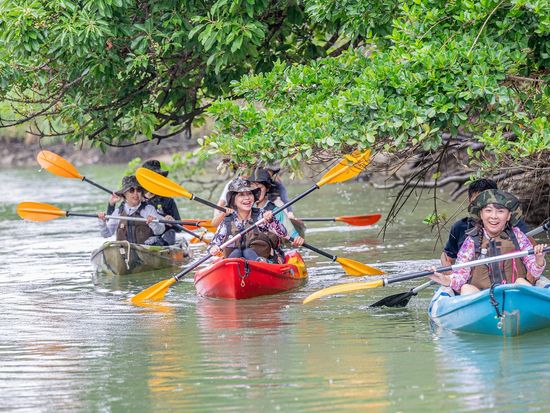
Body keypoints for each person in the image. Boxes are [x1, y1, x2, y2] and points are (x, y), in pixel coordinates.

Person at [430, 189, 547, 295]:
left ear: (508, 216)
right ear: (481, 214)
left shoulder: (518, 236)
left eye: (500, 211)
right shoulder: (471, 241)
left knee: (521, 281)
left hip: (514, 295)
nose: (494, 216)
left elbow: (534, 272)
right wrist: (444, 279)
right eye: (488, 211)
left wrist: (539, 260)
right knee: (466, 288)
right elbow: (461, 276)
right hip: (483, 298)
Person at [441, 178, 528, 266]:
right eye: (476, 202)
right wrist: (449, 273)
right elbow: (447, 257)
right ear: (469, 202)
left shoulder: (514, 225)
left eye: (486, 204)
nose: (481, 207)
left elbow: (530, 250)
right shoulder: (459, 227)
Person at [208, 177, 289, 263]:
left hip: (262, 262)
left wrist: (272, 221)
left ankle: (258, 262)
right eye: (241, 195)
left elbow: (284, 233)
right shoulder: (227, 221)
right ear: (233, 200)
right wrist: (214, 248)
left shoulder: (262, 215)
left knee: (247, 252)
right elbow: (212, 245)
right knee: (237, 252)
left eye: (249, 194)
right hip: (234, 262)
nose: (247, 198)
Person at [106, 160, 181, 245]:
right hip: (138, 240)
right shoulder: (132, 200)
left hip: (161, 241)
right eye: (150, 179)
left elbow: (179, 228)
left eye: (157, 179)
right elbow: (111, 223)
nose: (153, 182)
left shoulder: (167, 201)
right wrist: (111, 204)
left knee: (170, 234)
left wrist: (170, 221)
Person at [98, 175, 166, 245]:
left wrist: (153, 222)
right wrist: (102, 221)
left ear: (142, 193)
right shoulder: (118, 212)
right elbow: (106, 234)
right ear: (125, 194)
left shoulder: (149, 209)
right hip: (123, 250)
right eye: (131, 190)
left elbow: (160, 231)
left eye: (138, 190)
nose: (135, 193)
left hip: (144, 249)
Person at [249, 168, 305, 250]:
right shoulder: (245, 207)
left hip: (268, 251)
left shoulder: (276, 211)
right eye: (253, 188)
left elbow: (293, 236)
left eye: (259, 188)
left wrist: (297, 239)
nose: (256, 192)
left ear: (267, 188)